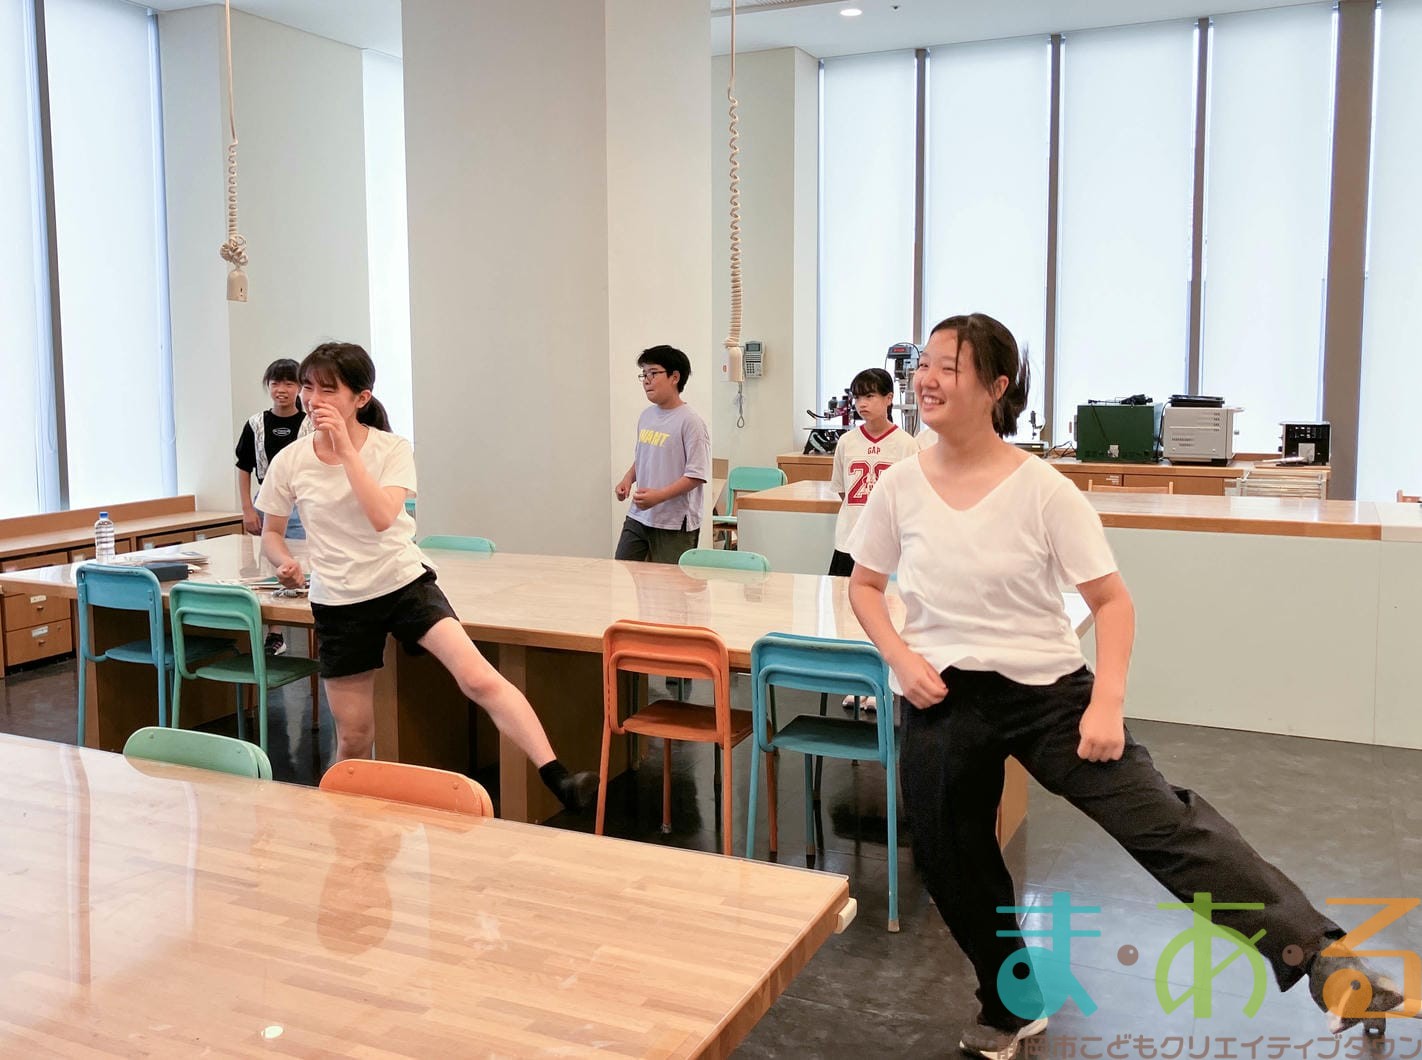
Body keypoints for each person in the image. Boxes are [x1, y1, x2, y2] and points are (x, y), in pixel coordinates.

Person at [845, 313, 1403, 1059]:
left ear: (997, 386)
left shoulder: (1044, 491)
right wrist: (899, 658)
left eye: (949, 365)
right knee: (952, 861)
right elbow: (865, 585)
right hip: (942, 696)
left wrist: (1106, 703)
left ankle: (1324, 959)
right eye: (926, 364)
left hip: (1048, 696)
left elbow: (1111, 602)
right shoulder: (901, 486)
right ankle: (1012, 1006)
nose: (927, 379)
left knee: (1166, 828)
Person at [256, 342, 597, 812]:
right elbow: (271, 533)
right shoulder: (291, 461)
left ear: (361, 398)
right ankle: (337, 823)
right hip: (338, 601)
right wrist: (282, 561)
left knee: (478, 678)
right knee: (354, 736)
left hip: (403, 584)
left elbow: (381, 516)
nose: (313, 400)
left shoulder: (391, 449)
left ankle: (558, 777)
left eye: (328, 390)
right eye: (309, 388)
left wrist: (347, 452)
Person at [235, 357, 313, 655]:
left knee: (307, 562)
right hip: (266, 501)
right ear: (268, 386)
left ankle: (313, 627)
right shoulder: (256, 424)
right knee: (268, 565)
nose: (282, 389)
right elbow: (244, 467)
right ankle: (275, 633)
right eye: (275, 383)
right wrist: (247, 509)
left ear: (299, 388)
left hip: (302, 502)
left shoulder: (310, 423)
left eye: (289, 383)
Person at [613, 345, 711, 564]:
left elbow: (696, 475)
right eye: (644, 374)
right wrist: (628, 479)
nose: (646, 380)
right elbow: (644, 457)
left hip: (673, 522)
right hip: (639, 515)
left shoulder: (691, 422)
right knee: (621, 571)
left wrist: (659, 496)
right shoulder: (646, 416)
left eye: (653, 373)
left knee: (668, 583)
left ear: (675, 377)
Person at [828, 368, 918, 578]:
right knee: (841, 595)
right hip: (849, 539)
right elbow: (843, 490)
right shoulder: (846, 442)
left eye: (869, 396)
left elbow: (911, 497)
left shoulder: (906, 444)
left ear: (889, 398)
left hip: (888, 542)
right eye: (857, 397)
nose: (862, 404)